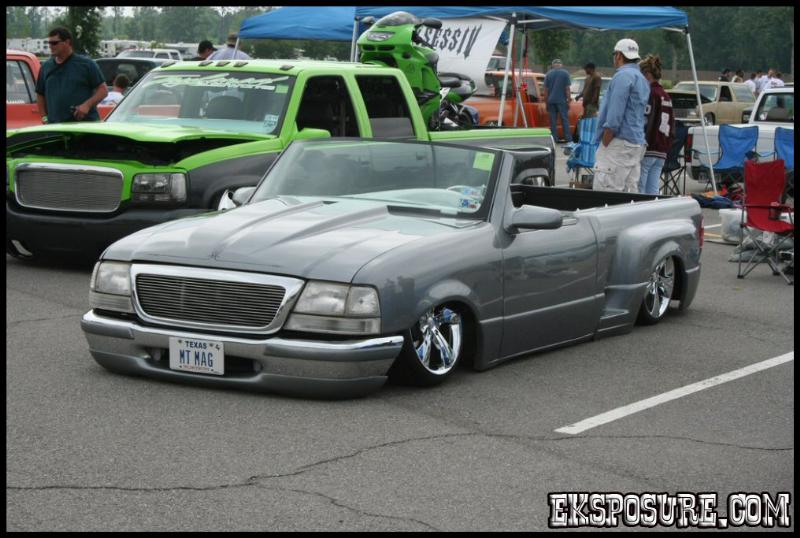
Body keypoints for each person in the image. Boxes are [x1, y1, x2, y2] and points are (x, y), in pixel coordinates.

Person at [591, 38, 650, 193]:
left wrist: (605, 140)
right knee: (629, 194)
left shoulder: (622, 76)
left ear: (618, 55)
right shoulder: (642, 79)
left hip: (618, 142)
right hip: (636, 142)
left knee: (606, 192)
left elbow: (614, 116)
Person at [35, 27, 107, 123]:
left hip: (84, 125)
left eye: (54, 43)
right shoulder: (46, 67)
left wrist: (87, 105)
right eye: (49, 43)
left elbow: (103, 90)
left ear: (67, 42)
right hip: (55, 126)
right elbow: (40, 94)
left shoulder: (86, 64)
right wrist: (44, 117)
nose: (50, 46)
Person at [638, 55, 675, 195]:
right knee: (653, 189)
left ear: (647, 75)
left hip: (649, 146)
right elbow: (672, 123)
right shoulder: (666, 95)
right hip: (662, 148)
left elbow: (645, 120)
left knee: (640, 188)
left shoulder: (650, 93)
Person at [542, 58, 572, 143]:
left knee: (553, 121)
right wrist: (568, 100)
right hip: (562, 101)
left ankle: (555, 139)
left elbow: (546, 90)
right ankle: (568, 139)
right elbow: (567, 89)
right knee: (564, 119)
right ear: (561, 65)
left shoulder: (548, 74)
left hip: (551, 101)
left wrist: (546, 102)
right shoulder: (565, 73)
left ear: (552, 65)